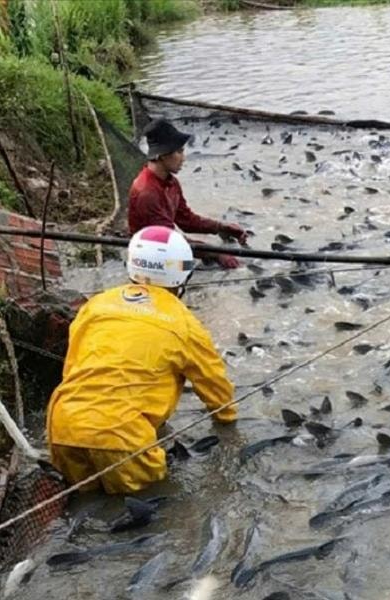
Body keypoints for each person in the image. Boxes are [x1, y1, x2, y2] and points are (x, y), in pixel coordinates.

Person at [47, 226, 236, 494]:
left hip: (62, 427)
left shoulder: (96, 305)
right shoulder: (185, 324)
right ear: (184, 276)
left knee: (84, 501)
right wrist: (228, 423)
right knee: (149, 504)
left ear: (131, 266)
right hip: (122, 439)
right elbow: (216, 387)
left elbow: (72, 367)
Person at [128, 118, 247, 269]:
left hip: (165, 249)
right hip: (149, 259)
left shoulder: (171, 182)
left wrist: (221, 227)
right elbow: (170, 241)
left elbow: (186, 220)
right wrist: (216, 253)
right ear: (162, 155)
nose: (184, 158)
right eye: (179, 152)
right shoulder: (147, 192)